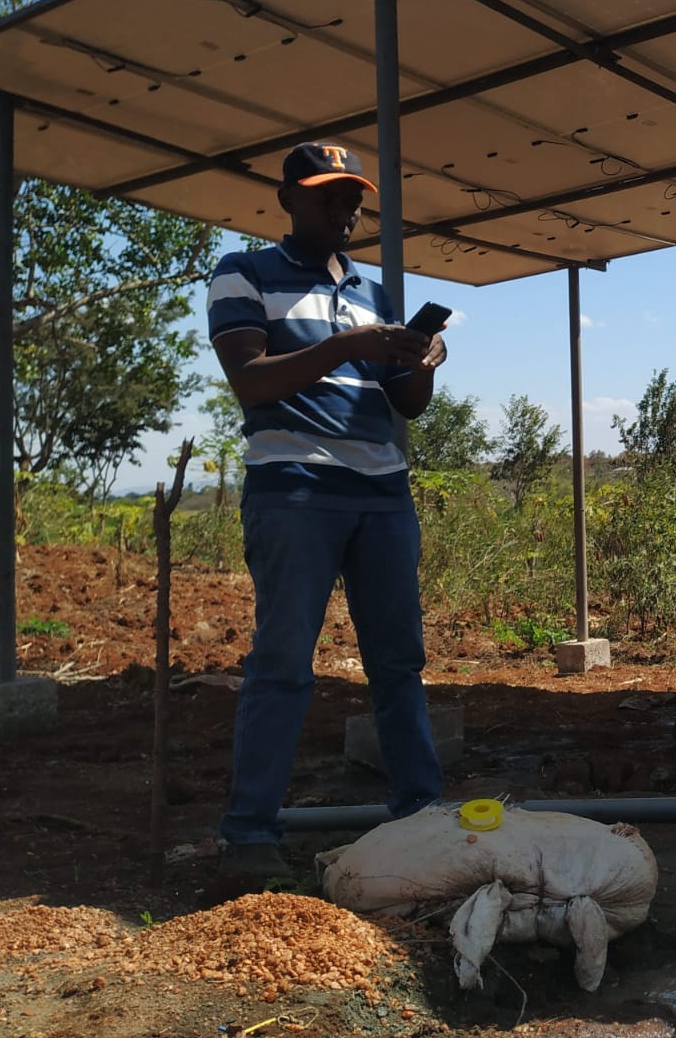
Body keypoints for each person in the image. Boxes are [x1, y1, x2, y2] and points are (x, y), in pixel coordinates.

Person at [206, 140, 446, 886]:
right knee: (283, 664)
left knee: (399, 664)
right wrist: (350, 344)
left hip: (382, 492)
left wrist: (420, 362)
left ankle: (422, 817)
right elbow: (251, 381)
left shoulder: (375, 294)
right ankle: (250, 836)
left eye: (351, 199)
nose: (344, 209)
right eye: (326, 196)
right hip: (295, 489)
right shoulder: (243, 273)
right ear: (287, 199)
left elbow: (406, 404)